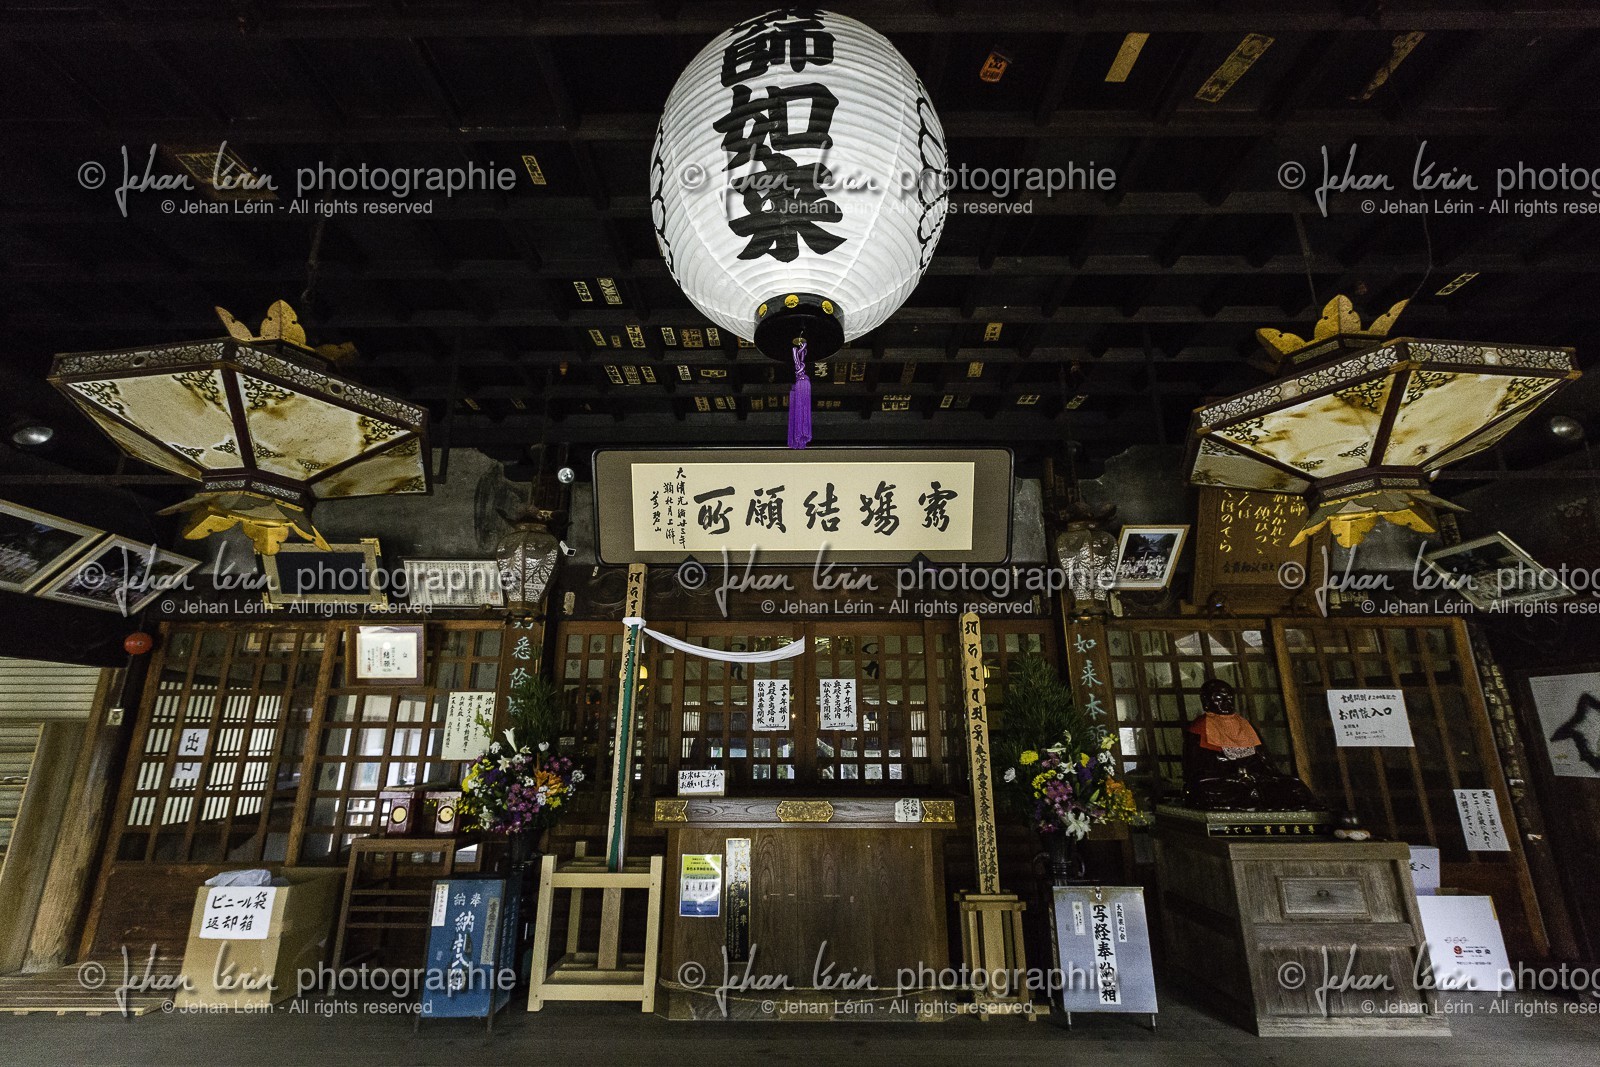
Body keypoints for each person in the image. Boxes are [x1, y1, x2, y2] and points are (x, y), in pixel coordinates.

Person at [1180, 678, 1322, 811]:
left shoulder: (1245, 725)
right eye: (1218, 698)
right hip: (1225, 781)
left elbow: (1265, 762)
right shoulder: (1198, 728)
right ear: (1205, 701)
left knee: (1294, 784)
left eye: (1229, 698)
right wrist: (1232, 770)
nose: (1226, 702)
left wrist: (1257, 775)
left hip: (1255, 779)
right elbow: (1194, 768)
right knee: (1201, 788)